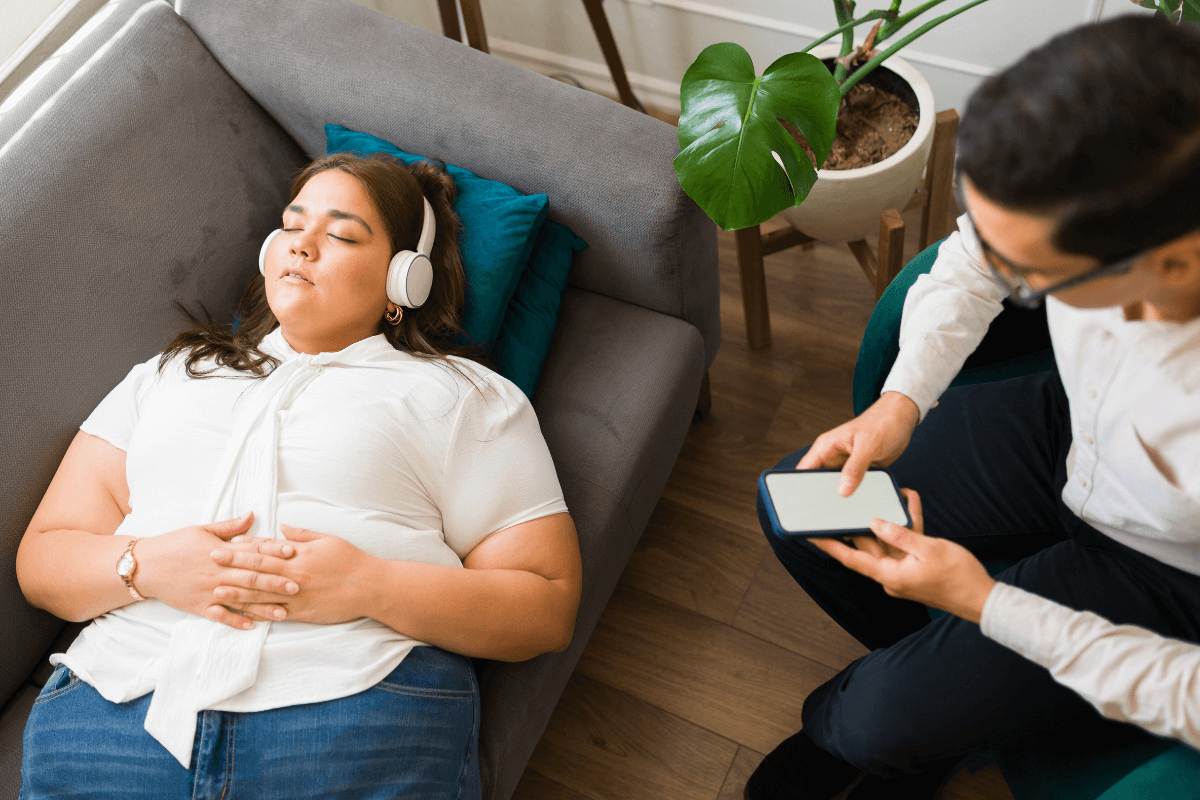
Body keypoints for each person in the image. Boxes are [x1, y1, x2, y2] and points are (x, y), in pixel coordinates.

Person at [15, 152, 583, 800]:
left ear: (406, 280)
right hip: (112, 715)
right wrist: (146, 566)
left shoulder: (462, 395)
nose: (303, 246)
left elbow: (546, 600)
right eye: (293, 224)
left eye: (341, 234)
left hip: (355, 709)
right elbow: (44, 556)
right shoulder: (170, 375)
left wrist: (372, 585)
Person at [745, 14, 1200, 800]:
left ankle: (892, 728)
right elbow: (970, 262)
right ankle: (951, 709)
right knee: (798, 509)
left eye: (1030, 272)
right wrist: (902, 399)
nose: (1001, 273)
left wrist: (985, 604)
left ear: (1174, 262)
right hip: (1067, 427)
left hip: (1170, 568)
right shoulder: (1119, 172)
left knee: (869, 722)